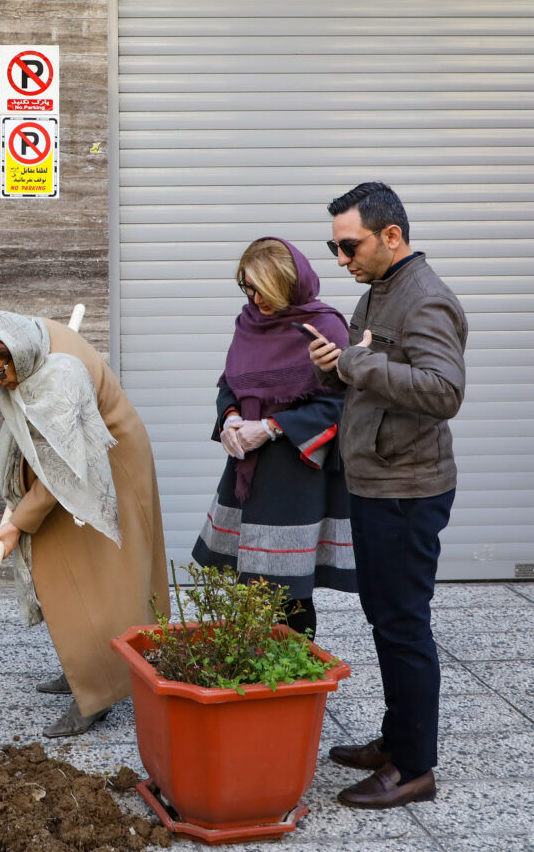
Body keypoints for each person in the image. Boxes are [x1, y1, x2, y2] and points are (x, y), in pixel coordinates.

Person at [308, 182, 467, 810]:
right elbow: (373, 372)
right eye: (335, 247)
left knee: (403, 626)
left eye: (349, 246)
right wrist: (338, 364)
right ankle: (396, 739)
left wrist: (354, 364)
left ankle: (414, 768)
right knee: (386, 618)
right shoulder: (380, 293)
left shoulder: (426, 300)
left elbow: (442, 390)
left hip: (407, 489)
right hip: (376, 480)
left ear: (391, 236)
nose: (341, 260)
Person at [0, 311, 170, 738]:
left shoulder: (59, 376)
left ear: (15, 355)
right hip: (62, 464)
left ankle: (98, 693)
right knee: (64, 576)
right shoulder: (30, 341)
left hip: (105, 469)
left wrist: (18, 522)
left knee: (98, 583)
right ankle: (84, 675)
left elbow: (66, 468)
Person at [192, 237, 356, 639]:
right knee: (252, 588)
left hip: (296, 472)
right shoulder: (248, 322)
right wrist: (230, 419)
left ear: (289, 282)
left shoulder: (325, 325)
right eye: (248, 287)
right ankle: (262, 676)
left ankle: (296, 680)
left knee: (290, 589)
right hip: (247, 467)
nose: (256, 298)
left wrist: (269, 427)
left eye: (265, 289)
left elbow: (342, 403)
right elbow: (230, 382)